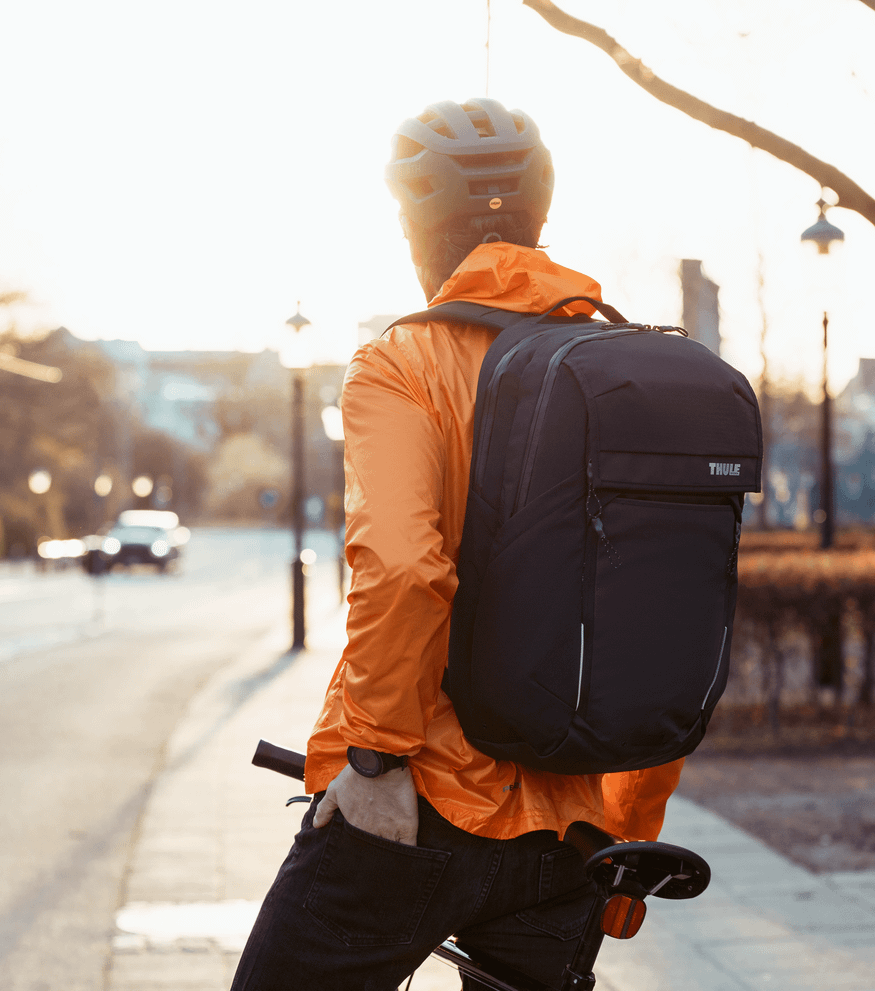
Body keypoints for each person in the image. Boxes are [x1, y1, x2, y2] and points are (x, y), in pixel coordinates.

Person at [231, 98, 683, 991]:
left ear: (411, 224)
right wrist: (629, 830)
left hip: (417, 808)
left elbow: (402, 567)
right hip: (574, 834)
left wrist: (374, 762)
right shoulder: (630, 376)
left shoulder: (401, 363)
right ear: (538, 215)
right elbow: (659, 627)